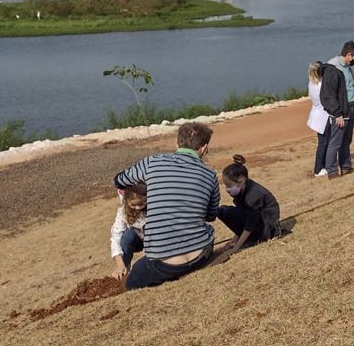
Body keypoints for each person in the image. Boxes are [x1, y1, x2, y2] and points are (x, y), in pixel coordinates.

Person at [113, 122, 219, 290]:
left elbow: (118, 180)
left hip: (164, 263)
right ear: (204, 147)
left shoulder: (152, 163)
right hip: (201, 253)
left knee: (133, 281)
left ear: (176, 144)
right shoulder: (210, 175)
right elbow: (211, 216)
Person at [217, 154, 282, 249]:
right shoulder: (243, 189)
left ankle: (252, 239)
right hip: (259, 225)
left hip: (267, 230)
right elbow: (243, 217)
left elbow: (250, 224)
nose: (227, 189)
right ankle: (248, 239)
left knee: (226, 211)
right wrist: (234, 239)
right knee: (222, 211)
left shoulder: (253, 195)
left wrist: (236, 248)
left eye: (228, 185)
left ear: (240, 181)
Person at [320, 41, 354, 179]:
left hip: (349, 107)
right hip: (340, 112)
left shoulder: (347, 66)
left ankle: (345, 166)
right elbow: (328, 95)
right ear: (349, 55)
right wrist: (337, 114)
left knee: (346, 140)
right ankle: (332, 171)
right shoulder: (333, 68)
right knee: (335, 142)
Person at [109, 182, 146, 279]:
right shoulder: (123, 211)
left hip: (154, 238)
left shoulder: (155, 207)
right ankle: (124, 270)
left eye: (141, 204)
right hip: (137, 240)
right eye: (133, 205)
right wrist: (120, 264)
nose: (137, 208)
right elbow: (116, 237)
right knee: (127, 236)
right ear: (126, 201)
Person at [307, 61, 330, 178]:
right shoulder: (321, 85)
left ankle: (323, 165)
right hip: (322, 117)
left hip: (317, 115)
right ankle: (318, 169)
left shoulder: (312, 83)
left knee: (324, 142)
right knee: (323, 143)